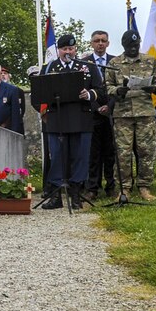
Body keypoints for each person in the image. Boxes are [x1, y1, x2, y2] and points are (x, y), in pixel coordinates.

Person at [39, 33, 105, 209]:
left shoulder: (86, 66)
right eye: (64, 49)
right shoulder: (49, 67)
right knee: (58, 156)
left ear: (75, 49)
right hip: (57, 119)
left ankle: (76, 195)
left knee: (80, 156)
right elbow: (39, 93)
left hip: (81, 118)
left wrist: (89, 94)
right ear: (58, 50)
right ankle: (56, 196)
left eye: (71, 48)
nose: (68, 52)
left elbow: (101, 89)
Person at [105, 29, 156, 201]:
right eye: (130, 46)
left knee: (146, 151)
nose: (133, 48)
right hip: (122, 115)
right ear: (124, 45)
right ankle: (124, 188)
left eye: (136, 45)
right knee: (123, 153)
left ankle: (144, 187)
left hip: (145, 113)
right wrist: (118, 90)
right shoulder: (114, 63)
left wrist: (154, 88)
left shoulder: (150, 61)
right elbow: (107, 87)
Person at [82, 30, 116, 198]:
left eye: (103, 40)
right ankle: (92, 188)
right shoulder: (84, 63)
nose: (100, 43)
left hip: (111, 114)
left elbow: (118, 88)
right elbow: (82, 89)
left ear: (108, 43)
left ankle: (111, 187)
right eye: (97, 40)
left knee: (110, 153)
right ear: (91, 43)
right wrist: (96, 107)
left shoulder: (115, 61)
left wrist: (109, 106)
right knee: (93, 153)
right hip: (92, 114)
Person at [0, 62, 24, 134]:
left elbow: (15, 113)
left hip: (7, 129)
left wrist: (14, 132)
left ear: (0, 74)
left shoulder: (12, 90)